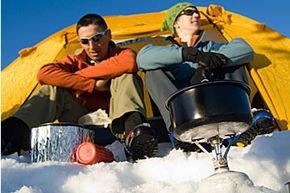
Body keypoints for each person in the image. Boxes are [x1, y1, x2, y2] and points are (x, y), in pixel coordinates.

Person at [1, 13, 158, 160]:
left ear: (108, 35)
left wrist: (78, 75)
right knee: (53, 88)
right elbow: (44, 73)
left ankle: (134, 134)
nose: (91, 46)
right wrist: (92, 84)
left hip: (116, 121)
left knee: (127, 76)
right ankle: (11, 134)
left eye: (97, 38)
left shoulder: (121, 54)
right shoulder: (75, 60)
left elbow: (130, 62)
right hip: (79, 120)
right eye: (85, 41)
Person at [136, 2, 258, 151]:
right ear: (176, 23)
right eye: (188, 12)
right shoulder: (165, 51)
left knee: (234, 62)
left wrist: (212, 60)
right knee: (153, 71)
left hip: (218, 102)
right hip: (184, 109)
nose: (196, 15)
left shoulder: (212, 47)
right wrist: (187, 54)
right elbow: (142, 59)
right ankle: (177, 131)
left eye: (197, 13)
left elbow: (245, 49)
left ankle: (242, 121)